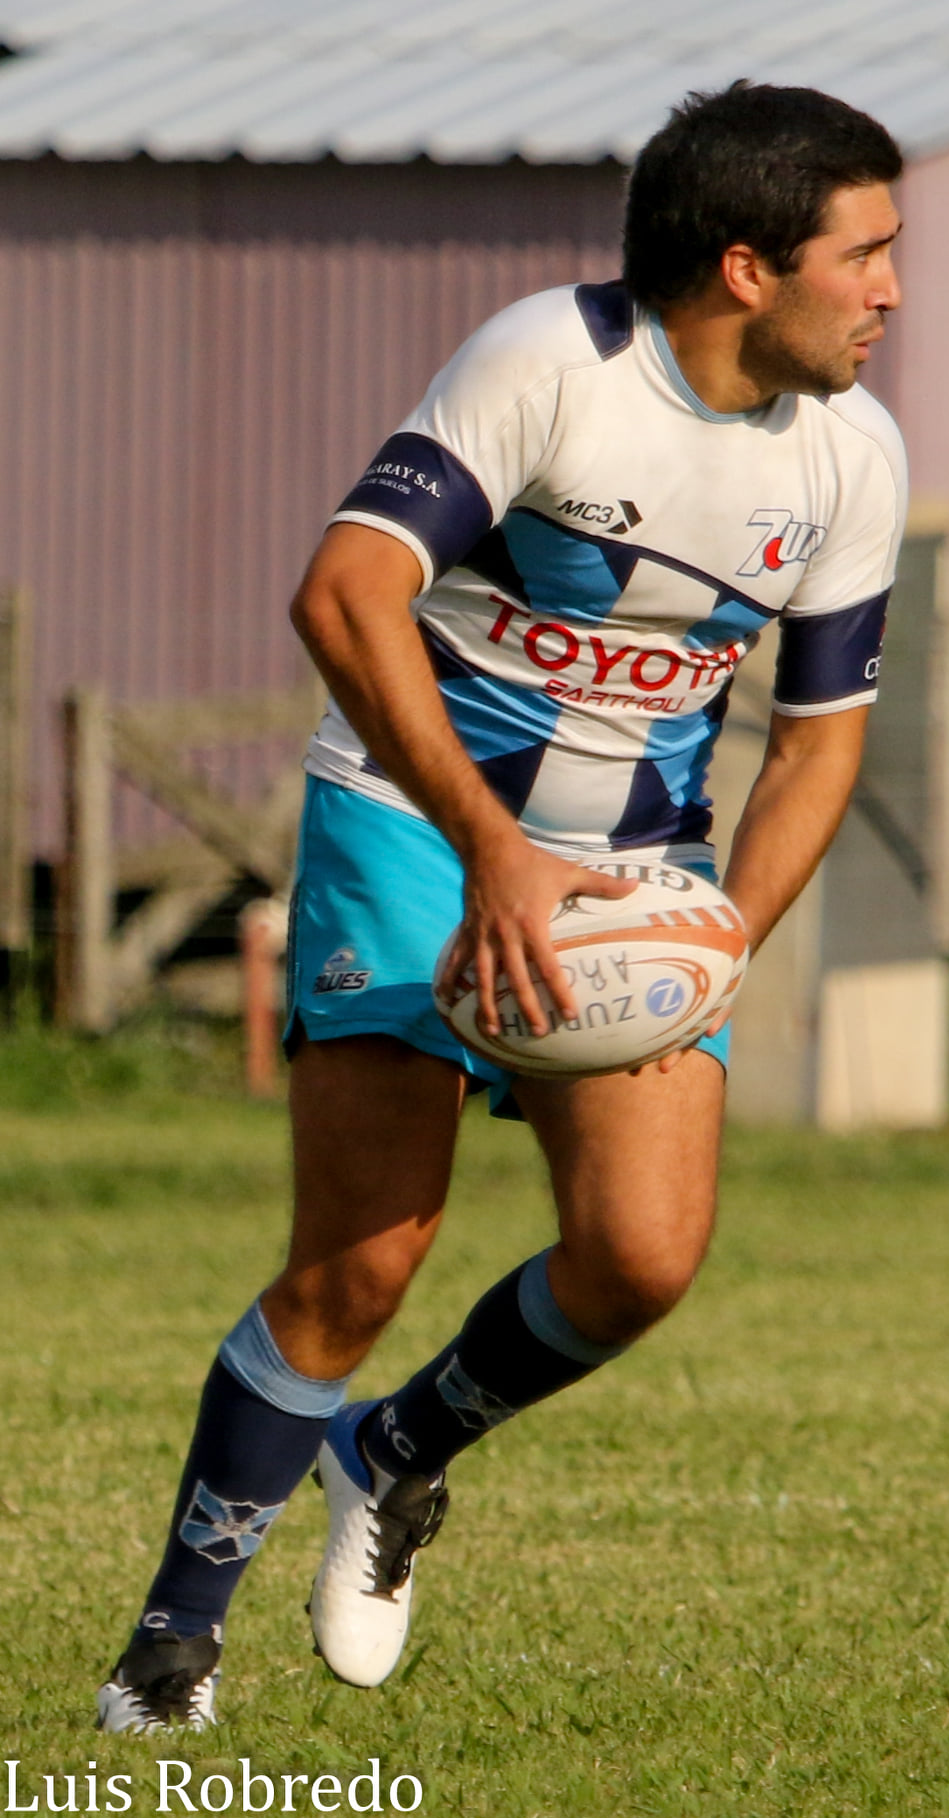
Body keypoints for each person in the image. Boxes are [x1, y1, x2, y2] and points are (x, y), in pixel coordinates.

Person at [96, 80, 907, 1732]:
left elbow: (821, 741)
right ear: (748, 268)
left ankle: (392, 1456)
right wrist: (486, 849)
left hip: (639, 871)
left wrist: (714, 941)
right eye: (869, 254)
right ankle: (170, 1653)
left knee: (639, 1262)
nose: (893, 290)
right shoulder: (553, 363)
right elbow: (345, 589)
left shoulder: (854, 454)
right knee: (364, 1261)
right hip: (416, 825)